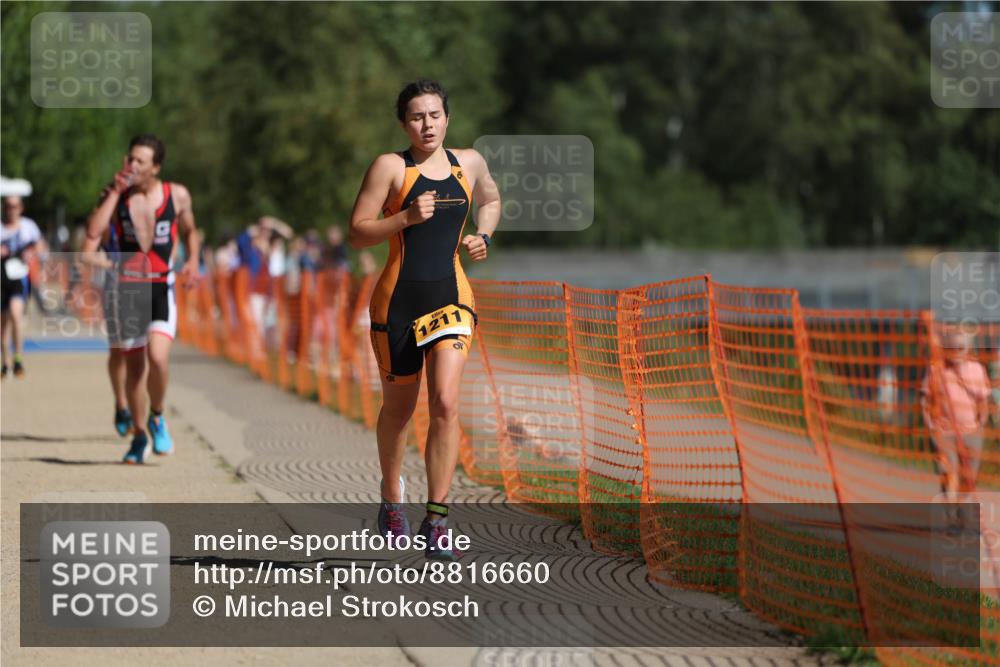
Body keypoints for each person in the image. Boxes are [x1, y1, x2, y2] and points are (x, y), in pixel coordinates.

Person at [349, 79, 501, 560]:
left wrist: (485, 235)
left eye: (434, 115)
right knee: (398, 410)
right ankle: (392, 501)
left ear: (447, 118)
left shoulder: (469, 164)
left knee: (445, 402)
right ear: (403, 123)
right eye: (417, 117)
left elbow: (491, 201)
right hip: (396, 303)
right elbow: (358, 233)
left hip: (451, 298)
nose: (427, 124)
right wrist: (404, 218)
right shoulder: (390, 168)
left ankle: (437, 519)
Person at [82, 134, 200, 464]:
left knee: (158, 358)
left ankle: (157, 416)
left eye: (140, 161)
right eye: (130, 158)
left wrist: (192, 260)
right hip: (128, 289)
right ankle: (137, 434)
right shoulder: (115, 197)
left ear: (156, 167)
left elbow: (191, 230)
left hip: (162, 285)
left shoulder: (176, 194)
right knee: (134, 369)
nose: (132, 165)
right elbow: (92, 236)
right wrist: (116, 192)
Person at [921, 329, 992, 525]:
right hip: (944, 432)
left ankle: (960, 509)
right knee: (949, 473)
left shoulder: (977, 369)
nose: (956, 352)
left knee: (968, 480)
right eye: (952, 347)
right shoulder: (936, 369)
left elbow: (983, 400)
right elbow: (925, 400)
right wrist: (930, 425)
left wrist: (981, 421)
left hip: (972, 431)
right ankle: (951, 516)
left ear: (968, 348)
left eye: (960, 347)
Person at [1, 195, 42, 378]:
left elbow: (41, 247)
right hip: (1, 278)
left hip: (18, 278)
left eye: (15, 206)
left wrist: (31, 253)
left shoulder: (29, 226)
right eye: (8, 206)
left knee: (16, 315)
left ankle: (18, 359)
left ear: (21, 207)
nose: (12, 209)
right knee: (3, 325)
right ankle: (5, 363)